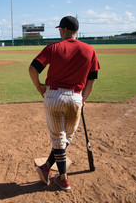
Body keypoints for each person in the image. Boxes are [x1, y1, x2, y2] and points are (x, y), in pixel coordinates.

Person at [28, 16, 100, 190]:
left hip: (53, 96)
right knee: (66, 138)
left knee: (58, 139)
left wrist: (39, 87)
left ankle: (62, 178)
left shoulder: (54, 47)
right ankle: (48, 170)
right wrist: (83, 99)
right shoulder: (90, 50)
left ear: (63, 30)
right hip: (76, 97)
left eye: (60, 29)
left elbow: (33, 68)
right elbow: (92, 81)